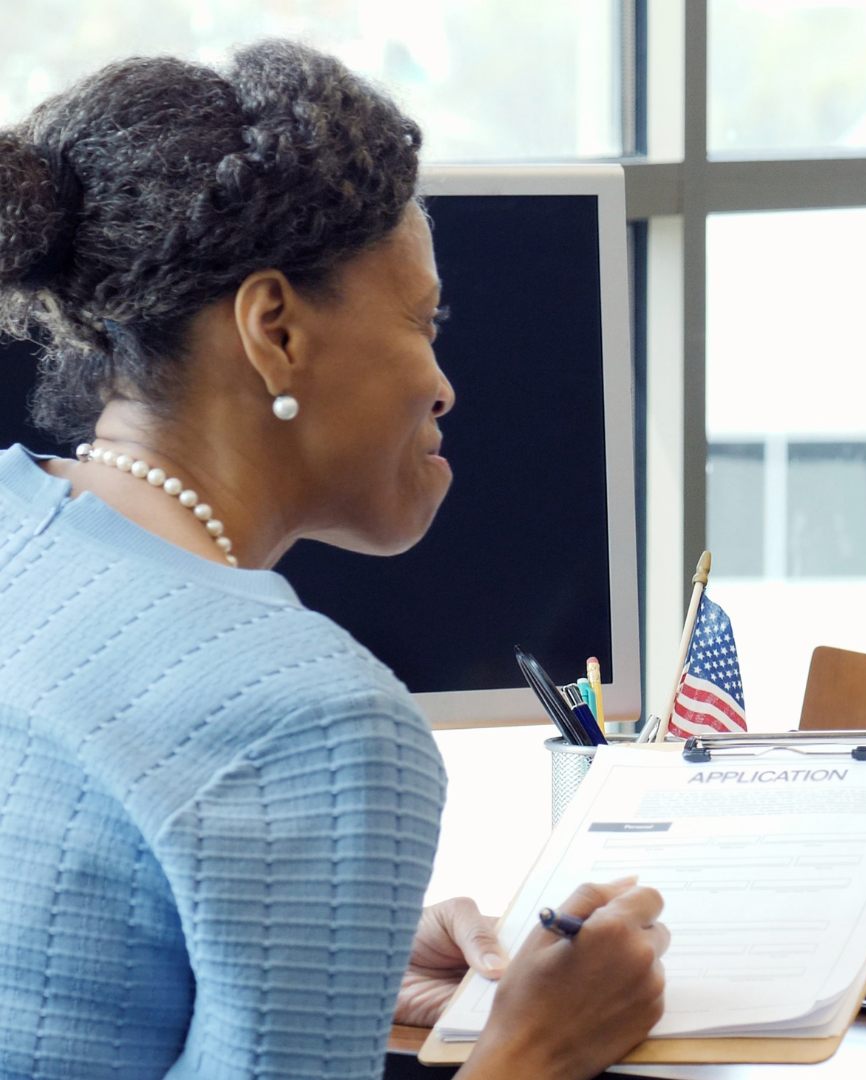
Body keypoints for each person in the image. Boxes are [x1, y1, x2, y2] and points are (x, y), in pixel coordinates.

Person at [0, 42, 667, 1079]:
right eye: (421, 320)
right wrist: (536, 1048)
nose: (442, 386)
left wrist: (327, 951)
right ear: (274, 328)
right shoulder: (315, 716)